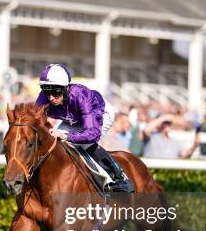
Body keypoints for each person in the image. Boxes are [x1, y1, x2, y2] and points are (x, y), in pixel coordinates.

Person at [34, 63, 133, 192]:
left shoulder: (82, 96)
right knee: (54, 142)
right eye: (47, 91)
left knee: (86, 144)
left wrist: (66, 135)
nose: (51, 97)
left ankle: (119, 178)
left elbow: (92, 133)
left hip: (100, 116)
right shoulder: (44, 97)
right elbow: (34, 120)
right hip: (73, 120)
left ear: (65, 88)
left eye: (56, 92)